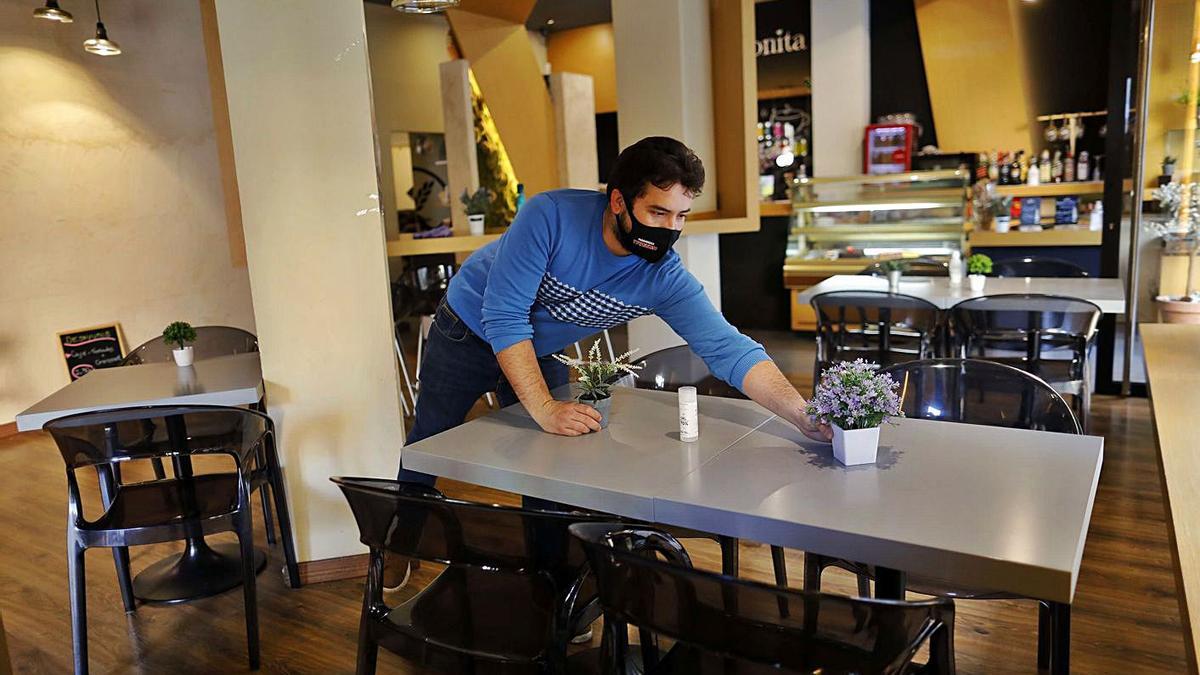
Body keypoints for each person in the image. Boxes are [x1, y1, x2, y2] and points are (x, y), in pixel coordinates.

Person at [390, 136, 831, 593]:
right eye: (657, 213)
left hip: (539, 347)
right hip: (466, 329)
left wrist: (800, 413)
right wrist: (542, 405)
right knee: (429, 439)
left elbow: (728, 348)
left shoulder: (662, 276)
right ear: (618, 201)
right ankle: (398, 547)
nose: (669, 229)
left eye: (681, 216)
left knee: (552, 464)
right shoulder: (550, 216)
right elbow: (504, 316)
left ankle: (551, 586)